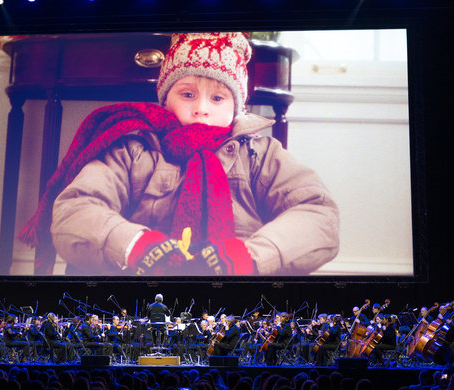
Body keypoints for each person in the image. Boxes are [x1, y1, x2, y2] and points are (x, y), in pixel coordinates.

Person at [19, 31, 339, 276]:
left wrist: (251, 255)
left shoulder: (260, 153)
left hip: (235, 294)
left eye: (217, 98)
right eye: (187, 94)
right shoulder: (135, 147)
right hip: (141, 289)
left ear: (236, 105)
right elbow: (75, 209)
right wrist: (135, 245)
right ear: (166, 98)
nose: (201, 109)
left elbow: (318, 214)